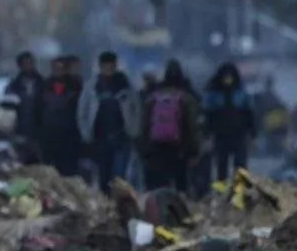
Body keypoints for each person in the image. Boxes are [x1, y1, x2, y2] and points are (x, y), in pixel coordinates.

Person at [78, 51, 140, 192]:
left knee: (119, 177)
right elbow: (82, 112)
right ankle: (107, 205)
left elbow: (136, 109)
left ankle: (119, 205)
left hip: (121, 138)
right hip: (100, 139)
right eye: (105, 66)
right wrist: (86, 133)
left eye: (111, 66)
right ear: (100, 67)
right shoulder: (92, 87)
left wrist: (134, 130)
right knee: (103, 176)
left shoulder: (125, 85)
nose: (108, 69)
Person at [138, 60, 202, 191]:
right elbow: (193, 127)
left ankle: (158, 209)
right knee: (180, 184)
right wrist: (194, 151)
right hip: (180, 148)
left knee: (159, 184)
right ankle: (178, 209)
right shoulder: (187, 98)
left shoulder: (153, 97)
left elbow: (144, 125)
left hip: (156, 146)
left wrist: (144, 150)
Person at [203, 62, 256, 181]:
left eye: (229, 76)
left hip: (239, 135)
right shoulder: (213, 95)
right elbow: (209, 118)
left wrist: (253, 135)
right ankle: (222, 194)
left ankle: (240, 195)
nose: (227, 79)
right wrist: (207, 136)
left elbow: (249, 116)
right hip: (221, 136)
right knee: (221, 169)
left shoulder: (241, 94)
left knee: (241, 168)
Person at [37, 57, 84, 177]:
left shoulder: (75, 86)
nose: (58, 71)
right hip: (49, 134)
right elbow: (38, 110)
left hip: (69, 135)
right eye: (56, 68)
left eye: (61, 68)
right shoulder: (45, 85)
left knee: (68, 170)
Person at [7, 52, 46, 159]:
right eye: (25, 63)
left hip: (39, 133)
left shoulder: (43, 84)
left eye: (30, 63)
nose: (28, 66)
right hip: (20, 131)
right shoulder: (13, 86)